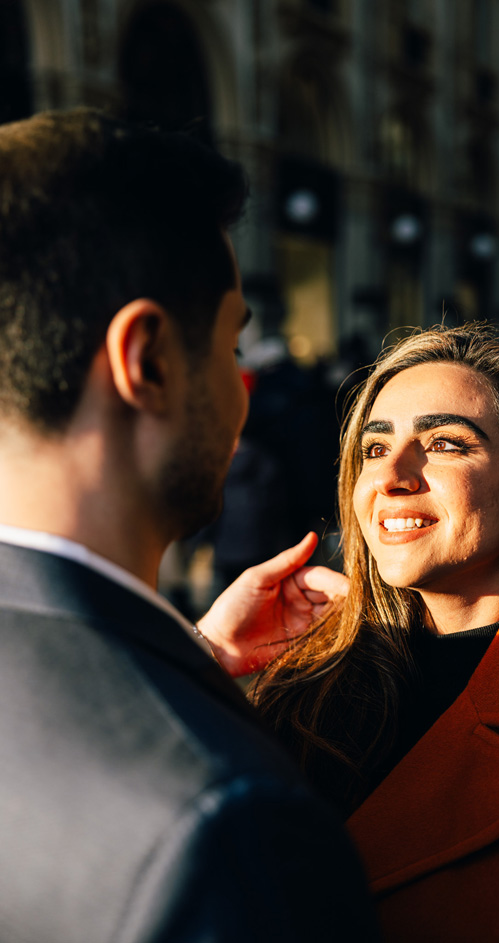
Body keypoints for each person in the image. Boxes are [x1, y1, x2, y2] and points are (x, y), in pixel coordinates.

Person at [0, 110, 377, 940]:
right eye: (229, 342)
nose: (242, 387)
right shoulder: (230, 828)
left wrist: (192, 658)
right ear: (152, 361)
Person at [200, 324, 499, 942]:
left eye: (447, 443)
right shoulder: (313, 673)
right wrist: (209, 654)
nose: (393, 475)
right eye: (374, 450)